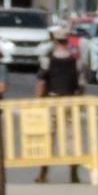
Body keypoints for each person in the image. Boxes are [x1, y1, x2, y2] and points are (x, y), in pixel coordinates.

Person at [35, 32, 84, 182]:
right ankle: (73, 172)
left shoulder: (48, 60)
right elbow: (81, 84)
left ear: (55, 41)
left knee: (48, 136)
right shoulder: (76, 61)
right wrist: (80, 101)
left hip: (52, 100)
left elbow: (41, 82)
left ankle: (43, 173)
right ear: (67, 41)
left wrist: (38, 100)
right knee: (71, 137)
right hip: (70, 100)